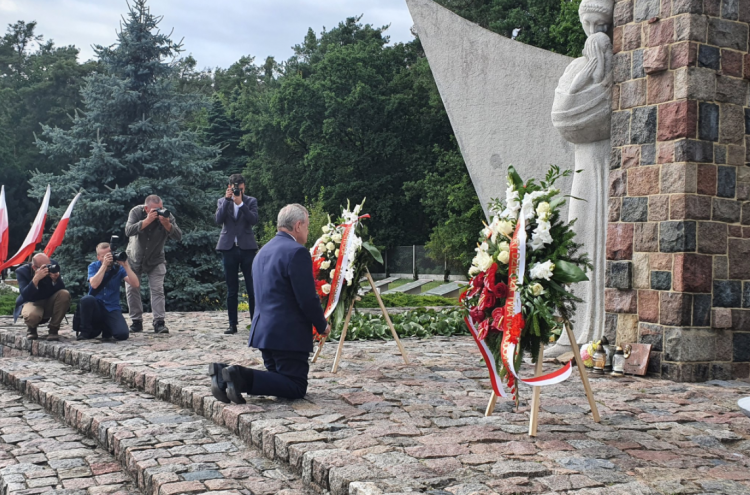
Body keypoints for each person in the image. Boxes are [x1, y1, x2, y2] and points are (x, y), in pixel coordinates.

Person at [209, 204, 330, 403]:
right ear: (298, 225)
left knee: (281, 382)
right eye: (307, 226)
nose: (307, 231)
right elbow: (307, 298)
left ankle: (225, 375)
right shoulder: (297, 252)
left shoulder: (262, 252)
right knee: (295, 386)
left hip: (264, 333)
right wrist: (322, 325)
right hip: (288, 335)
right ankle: (238, 376)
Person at [124, 195, 182, 334]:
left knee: (157, 289)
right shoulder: (136, 212)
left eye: (161, 208)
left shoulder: (167, 215)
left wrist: (167, 224)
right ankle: (136, 321)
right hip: (134, 258)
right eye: (156, 210)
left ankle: (159, 322)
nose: (159, 212)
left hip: (156, 259)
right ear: (146, 208)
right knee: (132, 290)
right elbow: (128, 231)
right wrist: (147, 221)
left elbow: (178, 236)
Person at [215, 173, 259, 335]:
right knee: (231, 288)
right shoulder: (222, 201)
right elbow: (218, 220)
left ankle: (255, 322)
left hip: (247, 248)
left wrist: (241, 204)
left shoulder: (250, 201)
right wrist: (228, 201)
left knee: (251, 287)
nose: (237, 192)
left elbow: (254, 220)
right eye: (235, 189)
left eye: (240, 189)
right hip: (229, 248)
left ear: (244, 188)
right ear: (229, 187)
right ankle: (232, 324)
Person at [77, 242, 139, 342]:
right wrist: (104, 266)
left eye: (110, 254)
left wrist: (126, 266)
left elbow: (135, 284)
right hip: (96, 306)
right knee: (87, 299)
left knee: (122, 335)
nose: (108, 258)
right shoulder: (93, 266)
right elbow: (94, 284)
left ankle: (107, 328)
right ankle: (85, 331)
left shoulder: (119, 268)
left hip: (112, 307)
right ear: (98, 257)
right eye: (104, 256)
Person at [14, 253, 70, 341]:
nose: (48, 268)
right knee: (31, 315)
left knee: (64, 294)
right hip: (32, 301)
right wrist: (36, 279)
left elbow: (61, 290)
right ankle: (32, 329)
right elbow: (25, 295)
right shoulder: (22, 272)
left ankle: (53, 329)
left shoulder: (53, 266)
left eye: (49, 265)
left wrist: (55, 280)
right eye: (44, 267)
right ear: (34, 267)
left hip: (49, 300)